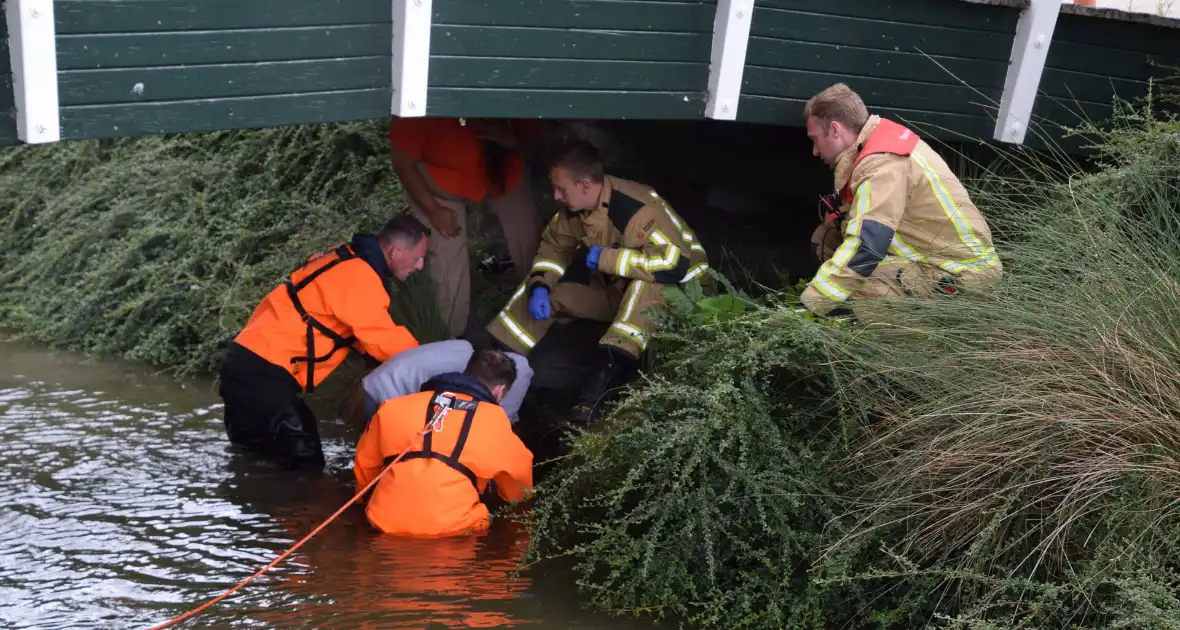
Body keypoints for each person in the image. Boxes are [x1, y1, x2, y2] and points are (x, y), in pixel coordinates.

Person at [484, 140, 711, 424]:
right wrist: (540, 286)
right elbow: (554, 248)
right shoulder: (576, 208)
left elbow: (673, 266)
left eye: (561, 189)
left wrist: (607, 259)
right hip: (619, 287)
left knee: (646, 290)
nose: (555, 196)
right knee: (542, 289)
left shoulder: (637, 209)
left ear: (585, 186)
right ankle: (487, 366)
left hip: (683, 294)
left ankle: (593, 403)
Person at [219, 215, 430, 469]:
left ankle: (256, 501)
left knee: (253, 461)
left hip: (243, 364)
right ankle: (301, 508)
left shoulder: (344, 257)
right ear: (395, 252)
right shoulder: (359, 276)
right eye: (418, 258)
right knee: (305, 464)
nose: (420, 265)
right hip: (265, 374)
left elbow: (357, 333)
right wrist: (434, 366)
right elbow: (388, 343)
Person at [799, 83, 1002, 318]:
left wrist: (811, 307)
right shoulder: (881, 144)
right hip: (936, 257)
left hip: (959, 275)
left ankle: (881, 343)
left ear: (835, 129)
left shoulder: (883, 164)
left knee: (857, 289)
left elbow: (867, 246)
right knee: (828, 239)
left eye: (815, 139)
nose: (814, 151)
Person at [388, 117, 546, 337]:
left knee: (529, 236)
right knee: (446, 258)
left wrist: (510, 141)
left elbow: (536, 142)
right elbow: (402, 161)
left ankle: (546, 304)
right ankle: (450, 335)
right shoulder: (422, 96)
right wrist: (433, 210)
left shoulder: (509, 89)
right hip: (439, 182)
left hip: (504, 170)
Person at [353, 348, 534, 538]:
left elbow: (365, 465)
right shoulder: (495, 421)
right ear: (499, 391)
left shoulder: (394, 406)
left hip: (382, 520)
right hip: (454, 530)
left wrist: (365, 501)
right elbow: (520, 484)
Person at [359, 338, 534, 424]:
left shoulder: (465, 350)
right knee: (395, 452)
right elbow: (499, 420)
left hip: (378, 379)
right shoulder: (516, 379)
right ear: (501, 389)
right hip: (387, 395)